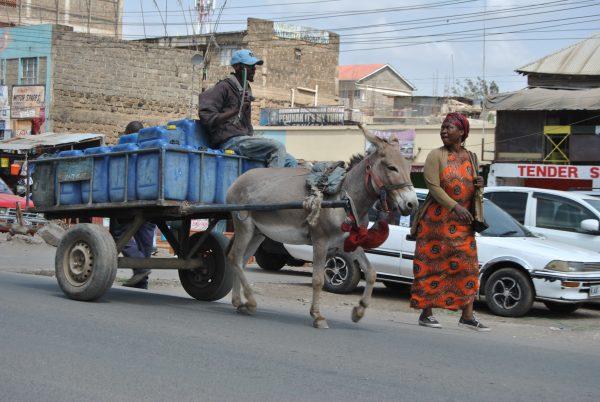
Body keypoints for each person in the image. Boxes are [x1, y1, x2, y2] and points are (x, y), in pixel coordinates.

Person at [409, 112, 490, 331]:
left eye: (450, 128)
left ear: (462, 132)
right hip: (435, 224)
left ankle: (467, 315)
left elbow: (474, 188)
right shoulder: (436, 155)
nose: (444, 131)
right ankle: (426, 314)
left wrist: (481, 183)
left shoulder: (471, 157)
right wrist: (455, 206)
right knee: (430, 267)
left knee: (468, 268)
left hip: (463, 225)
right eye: (443, 127)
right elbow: (433, 187)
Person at [198, 49, 297, 168]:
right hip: (229, 141)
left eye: (254, 66)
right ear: (238, 67)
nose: (254, 70)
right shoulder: (223, 87)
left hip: (244, 139)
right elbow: (206, 118)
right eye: (250, 66)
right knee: (277, 146)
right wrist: (235, 110)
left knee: (291, 161)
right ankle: (269, 185)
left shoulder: (245, 89)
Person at [109, 120, 157, 290]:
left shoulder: (125, 147)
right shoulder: (153, 147)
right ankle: (142, 280)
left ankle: (141, 268)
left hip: (129, 199)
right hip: (153, 198)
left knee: (119, 233)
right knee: (145, 240)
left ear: (127, 132)